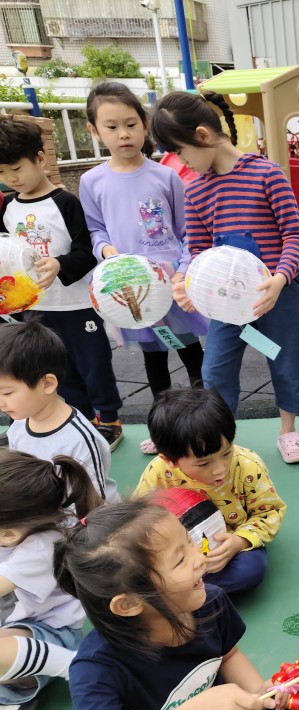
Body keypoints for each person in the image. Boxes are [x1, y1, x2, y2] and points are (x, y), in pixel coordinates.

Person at [55, 500, 299, 710]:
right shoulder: (96, 667)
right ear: (129, 603)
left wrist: (260, 693)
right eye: (180, 560)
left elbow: (228, 656)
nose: (200, 558)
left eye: (190, 541)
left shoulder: (211, 602)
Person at [150, 91, 299, 465]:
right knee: (215, 369)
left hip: (277, 296)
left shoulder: (266, 175)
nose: (182, 162)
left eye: (182, 152)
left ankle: (288, 431)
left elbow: (293, 236)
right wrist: (187, 283)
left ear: (203, 135)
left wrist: (280, 279)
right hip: (225, 301)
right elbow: (197, 250)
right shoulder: (196, 190)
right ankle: (218, 439)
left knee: (285, 360)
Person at [79, 82, 207, 456]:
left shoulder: (166, 176)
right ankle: (165, 430)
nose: (124, 134)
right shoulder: (91, 181)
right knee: (154, 358)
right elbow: (95, 230)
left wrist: (183, 271)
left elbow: (187, 231)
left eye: (131, 124)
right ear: (94, 130)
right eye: (112, 126)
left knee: (192, 353)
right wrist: (106, 250)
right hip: (131, 290)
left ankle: (205, 424)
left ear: (144, 123)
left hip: (170, 284)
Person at [0, 116, 124, 450]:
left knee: (93, 364)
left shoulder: (65, 203)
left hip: (76, 303)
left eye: (16, 168)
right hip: (36, 305)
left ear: (40, 159)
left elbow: (86, 252)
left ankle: (109, 419)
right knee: (52, 366)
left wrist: (59, 264)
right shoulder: (8, 207)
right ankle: (78, 418)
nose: (11, 178)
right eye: (2, 173)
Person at [134, 388, 283, 596]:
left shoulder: (248, 466)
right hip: (179, 553)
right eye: (204, 463)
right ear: (169, 460)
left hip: (227, 547)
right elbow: (139, 518)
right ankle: (186, 586)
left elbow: (269, 512)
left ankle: (175, 589)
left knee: (250, 570)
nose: (220, 469)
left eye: (227, 452)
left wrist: (239, 542)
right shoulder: (158, 473)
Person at [0, 450, 95, 710]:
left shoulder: (41, 548)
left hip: (53, 636)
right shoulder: (20, 528)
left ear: (8, 533)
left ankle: (72, 667)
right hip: (18, 621)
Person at [0, 320, 118, 503]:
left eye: (7, 393)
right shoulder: (19, 426)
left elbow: (91, 502)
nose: (1, 403)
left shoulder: (79, 440)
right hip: (44, 509)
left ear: (47, 384)